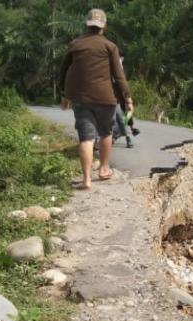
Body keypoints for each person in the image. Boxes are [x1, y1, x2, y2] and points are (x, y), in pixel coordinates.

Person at [57, 8, 133, 190]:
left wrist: (64, 95)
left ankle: (86, 180)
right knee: (105, 133)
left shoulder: (75, 45)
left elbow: (63, 72)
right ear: (104, 26)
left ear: (87, 24)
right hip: (106, 98)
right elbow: (119, 75)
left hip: (81, 99)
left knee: (86, 138)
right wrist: (127, 98)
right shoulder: (110, 46)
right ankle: (104, 169)